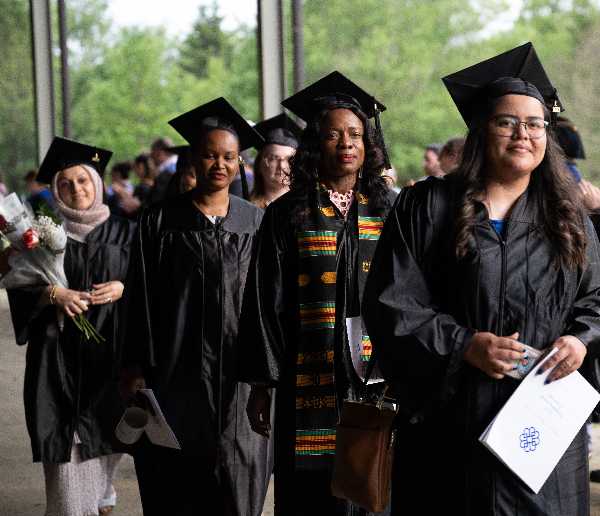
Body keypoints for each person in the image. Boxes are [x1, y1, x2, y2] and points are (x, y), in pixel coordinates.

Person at [363, 42, 600, 515]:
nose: (522, 134)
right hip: (452, 422)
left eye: (534, 124)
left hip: (542, 431)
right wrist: (463, 344)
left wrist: (581, 339)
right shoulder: (427, 206)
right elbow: (392, 304)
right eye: (506, 121)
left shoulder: (568, 215)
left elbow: (596, 298)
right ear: (480, 130)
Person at [239, 71, 395, 516]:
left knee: (373, 484)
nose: (346, 143)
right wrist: (262, 383)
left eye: (356, 134)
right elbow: (265, 300)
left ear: (368, 145)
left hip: (377, 376)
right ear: (314, 146)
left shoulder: (389, 210)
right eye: (333, 135)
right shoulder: (289, 213)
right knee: (313, 492)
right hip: (307, 375)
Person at [120, 97, 269, 516]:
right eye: (209, 155)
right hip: (175, 374)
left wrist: (265, 375)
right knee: (177, 483)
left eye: (228, 156)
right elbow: (140, 297)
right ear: (194, 159)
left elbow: (262, 304)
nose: (219, 165)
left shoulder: (254, 223)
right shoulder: (160, 221)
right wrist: (133, 367)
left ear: (239, 162)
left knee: (237, 483)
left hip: (239, 379)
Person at [7, 136, 136, 516]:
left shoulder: (127, 233)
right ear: (55, 191)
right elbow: (20, 288)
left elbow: (154, 286)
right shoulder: (41, 239)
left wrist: (125, 287)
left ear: (97, 184)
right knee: (65, 449)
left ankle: (102, 500)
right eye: (65, 184)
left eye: (83, 180)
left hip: (109, 362)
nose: (76, 189)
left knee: (106, 448)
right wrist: (52, 293)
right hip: (56, 362)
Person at [249, 113, 302, 209]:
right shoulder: (246, 209)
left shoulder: (306, 209)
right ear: (259, 164)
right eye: (273, 158)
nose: (282, 165)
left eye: (290, 159)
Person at [147, 137, 178, 204]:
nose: (152, 158)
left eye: (153, 154)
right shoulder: (177, 164)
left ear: (160, 153)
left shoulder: (170, 170)